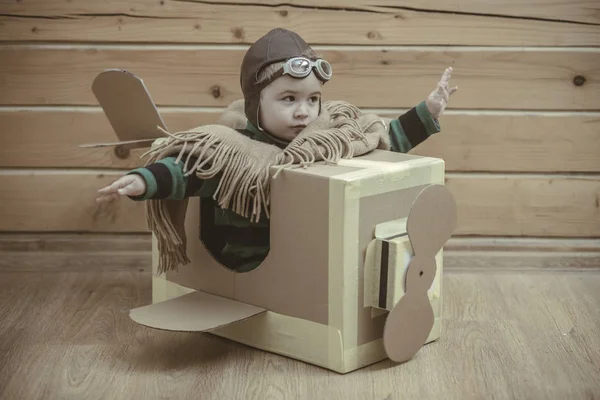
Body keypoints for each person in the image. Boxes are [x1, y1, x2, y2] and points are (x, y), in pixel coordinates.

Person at [96, 28, 457, 273]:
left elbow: (384, 139)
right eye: (288, 99)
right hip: (244, 262)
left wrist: (427, 112)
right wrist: (143, 181)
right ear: (256, 105)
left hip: (306, 263)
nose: (303, 111)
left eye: (312, 99)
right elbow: (189, 168)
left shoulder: (328, 135)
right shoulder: (235, 148)